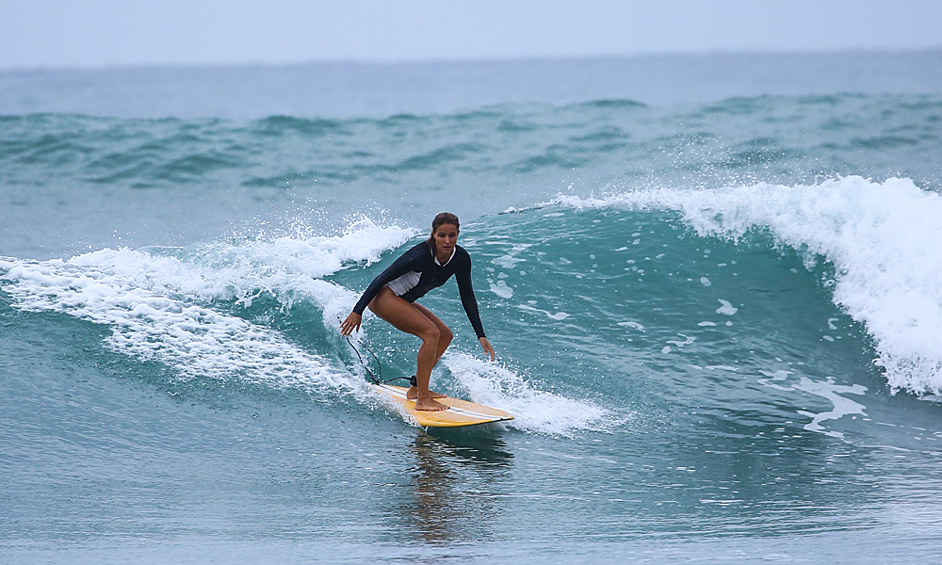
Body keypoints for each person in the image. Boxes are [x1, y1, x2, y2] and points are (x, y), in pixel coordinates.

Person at [340, 212, 495, 411]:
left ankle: (415, 389)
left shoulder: (461, 258)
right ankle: (422, 399)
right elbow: (381, 278)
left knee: (445, 335)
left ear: (458, 234)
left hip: (402, 300)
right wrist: (357, 311)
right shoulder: (421, 255)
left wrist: (480, 335)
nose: (447, 241)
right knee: (431, 334)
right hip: (383, 298)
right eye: (441, 235)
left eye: (452, 235)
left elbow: (467, 296)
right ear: (433, 234)